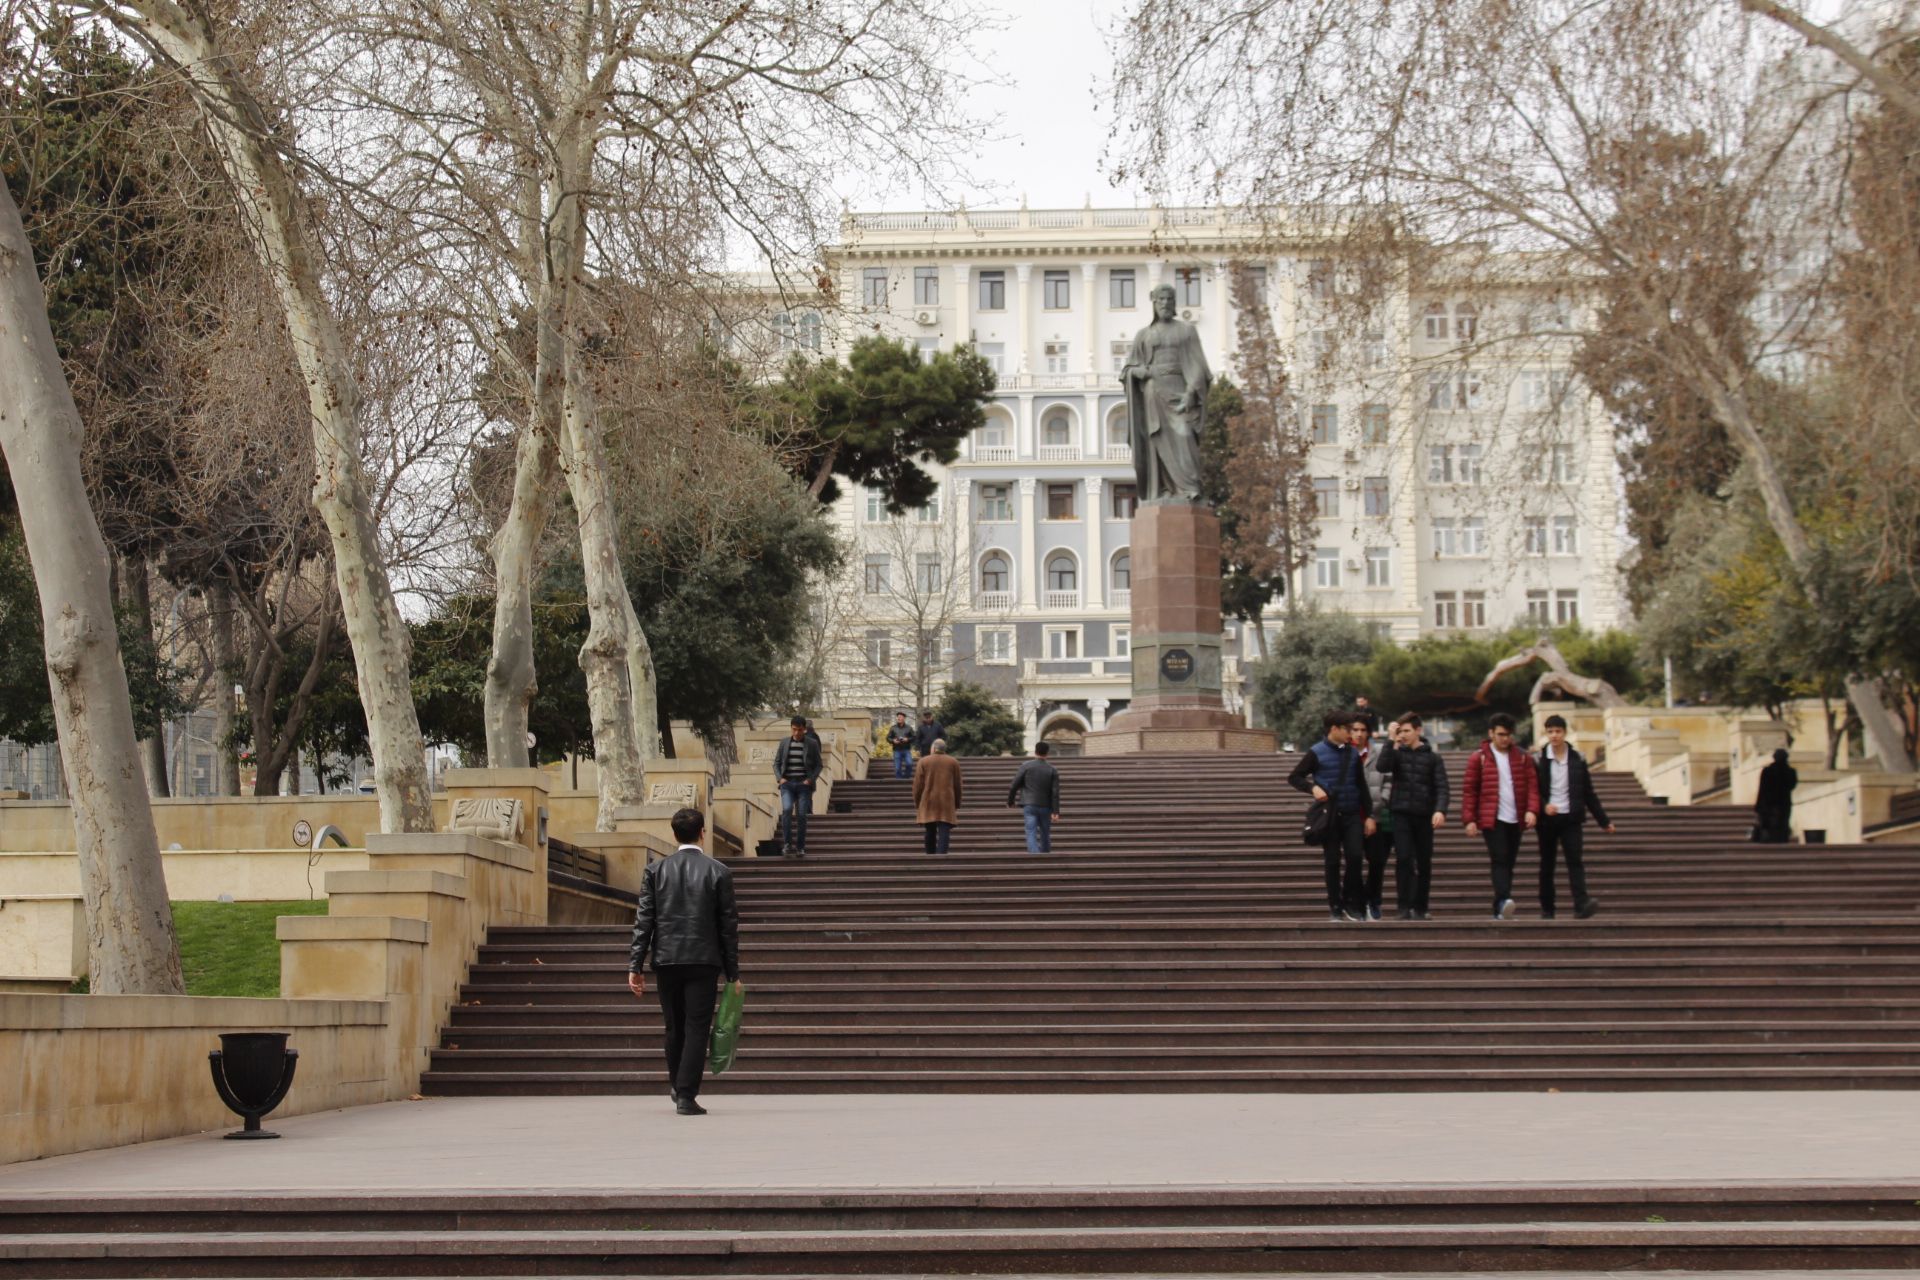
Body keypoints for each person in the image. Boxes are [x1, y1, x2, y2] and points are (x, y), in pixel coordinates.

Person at [627, 807, 740, 1116]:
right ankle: (686, 1094)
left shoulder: (655, 871)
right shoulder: (719, 871)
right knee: (696, 1027)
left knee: (674, 1026)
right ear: (702, 832)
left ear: (674, 834)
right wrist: (733, 972)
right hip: (704, 961)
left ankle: (678, 1086)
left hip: (667, 959)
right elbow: (728, 927)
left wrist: (635, 965)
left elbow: (644, 921)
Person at [1120, 283, 1212, 501]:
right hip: (1153, 393)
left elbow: (1198, 366)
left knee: (1184, 435)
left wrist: (1191, 393)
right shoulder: (1144, 335)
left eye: (1169, 299)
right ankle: (1164, 489)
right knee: (1156, 440)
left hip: (1179, 391)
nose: (1165, 304)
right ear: (1154, 303)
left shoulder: (1186, 331)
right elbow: (1128, 369)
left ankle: (1190, 488)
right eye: (1160, 300)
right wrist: (1138, 372)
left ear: (1174, 303)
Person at [1288, 708, 1377, 922]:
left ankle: (1348, 901)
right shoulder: (1316, 752)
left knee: (1355, 857)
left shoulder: (1352, 753)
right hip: (1330, 815)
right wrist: (1312, 789)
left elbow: (1361, 785)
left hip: (1352, 813)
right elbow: (1295, 777)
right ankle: (1335, 907)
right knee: (1332, 861)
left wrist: (1370, 815)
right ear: (1334, 729)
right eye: (1348, 729)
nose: (1352, 734)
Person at [1535, 714, 1615, 919]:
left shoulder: (1577, 758)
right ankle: (1547, 908)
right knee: (1547, 863)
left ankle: (1581, 904)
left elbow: (1588, 792)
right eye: (1550, 732)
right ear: (1546, 733)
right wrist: (1544, 806)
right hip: (1548, 820)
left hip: (1571, 818)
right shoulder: (1538, 759)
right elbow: (1533, 790)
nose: (1554, 736)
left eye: (1558, 731)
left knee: (1575, 861)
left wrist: (1603, 820)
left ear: (1564, 732)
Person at [1462, 712, 1540, 920]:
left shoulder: (1523, 758)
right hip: (1492, 818)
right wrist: (1469, 820)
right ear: (1491, 734)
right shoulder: (1478, 758)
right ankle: (1505, 900)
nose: (1505, 738)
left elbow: (1533, 786)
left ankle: (1500, 905)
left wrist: (1532, 810)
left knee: (1509, 861)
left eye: (1508, 734)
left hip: (1516, 818)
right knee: (1500, 858)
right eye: (1500, 734)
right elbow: (1470, 790)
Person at [1375, 712, 1450, 920]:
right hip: (1401, 814)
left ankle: (1421, 906)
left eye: (1407, 731)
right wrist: (1391, 740)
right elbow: (1382, 766)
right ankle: (1403, 906)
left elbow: (1442, 787)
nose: (1403, 735)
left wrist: (1440, 810)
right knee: (1404, 859)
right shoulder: (1397, 754)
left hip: (1424, 815)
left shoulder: (1433, 758)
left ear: (1418, 731)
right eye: (1400, 731)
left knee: (1424, 862)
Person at [1352, 714, 1392, 920]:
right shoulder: (1345, 754)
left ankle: (1373, 900)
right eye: (1355, 730)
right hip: (1351, 819)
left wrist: (1382, 801)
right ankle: (1358, 904)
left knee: (1377, 861)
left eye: (1363, 730)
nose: (1359, 734)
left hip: (1376, 818)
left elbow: (1389, 780)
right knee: (1354, 862)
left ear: (1368, 732)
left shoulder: (1378, 753)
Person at [772, 715, 820, 858]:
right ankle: (787, 844)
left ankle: (800, 847)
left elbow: (819, 765)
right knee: (787, 809)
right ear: (791, 728)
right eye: (794, 729)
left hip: (803, 785)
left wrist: (810, 780)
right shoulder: (784, 743)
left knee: (801, 815)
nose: (796, 733)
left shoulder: (811, 744)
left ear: (804, 729)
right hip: (787, 784)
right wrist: (780, 779)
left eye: (799, 730)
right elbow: (776, 763)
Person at [1006, 741, 1063, 853]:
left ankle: (1035, 857)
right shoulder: (1052, 770)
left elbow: (1013, 786)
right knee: (1045, 832)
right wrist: (1056, 812)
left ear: (1035, 751)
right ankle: (1045, 856)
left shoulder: (1025, 766)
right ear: (1047, 753)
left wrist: (1010, 802)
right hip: (1046, 806)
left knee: (1031, 831)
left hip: (1029, 805)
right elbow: (1055, 792)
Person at [913, 738, 963, 854]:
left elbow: (918, 785)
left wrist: (917, 802)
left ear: (934, 748)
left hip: (929, 800)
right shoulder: (953, 762)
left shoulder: (923, 761)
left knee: (929, 830)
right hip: (946, 801)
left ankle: (930, 856)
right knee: (944, 830)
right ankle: (941, 857)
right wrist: (957, 803)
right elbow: (958, 785)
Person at [1755, 748, 1799, 844]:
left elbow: (1762, 789)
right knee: (1782, 824)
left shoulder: (1767, 771)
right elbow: (1792, 785)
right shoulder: (1790, 772)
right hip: (1784, 802)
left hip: (1769, 803)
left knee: (1771, 825)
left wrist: (1759, 805)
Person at [886, 711, 916, 779]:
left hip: (906, 749)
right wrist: (893, 741)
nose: (898, 718)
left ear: (904, 718)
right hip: (897, 750)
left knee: (909, 764)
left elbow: (914, 737)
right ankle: (899, 781)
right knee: (897, 768)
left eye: (900, 717)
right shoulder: (893, 728)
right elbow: (888, 738)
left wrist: (907, 739)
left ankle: (906, 778)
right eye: (898, 717)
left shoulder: (909, 728)